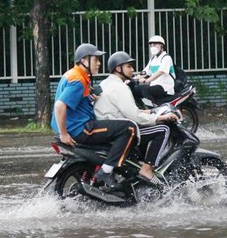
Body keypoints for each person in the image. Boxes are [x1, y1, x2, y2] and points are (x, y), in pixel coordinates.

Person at [51, 43, 138, 188]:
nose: (99, 63)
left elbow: (75, 101)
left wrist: (89, 98)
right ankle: (106, 171)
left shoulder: (74, 74)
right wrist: (64, 134)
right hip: (80, 129)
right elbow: (60, 105)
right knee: (129, 128)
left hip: (74, 125)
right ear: (84, 60)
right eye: (95, 59)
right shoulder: (78, 80)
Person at [95, 51, 178, 184]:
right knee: (163, 129)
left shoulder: (106, 83)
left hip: (108, 126)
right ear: (118, 68)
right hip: (120, 130)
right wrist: (160, 118)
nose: (132, 70)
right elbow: (135, 116)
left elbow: (127, 110)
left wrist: (151, 112)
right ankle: (147, 169)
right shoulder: (120, 88)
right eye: (129, 66)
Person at [133, 35, 175, 106]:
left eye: (155, 45)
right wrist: (133, 78)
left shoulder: (166, 58)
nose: (152, 47)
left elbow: (160, 72)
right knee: (136, 90)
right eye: (151, 45)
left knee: (144, 89)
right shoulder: (153, 59)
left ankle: (154, 109)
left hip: (165, 88)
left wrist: (147, 80)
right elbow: (145, 72)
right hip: (154, 86)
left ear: (161, 46)